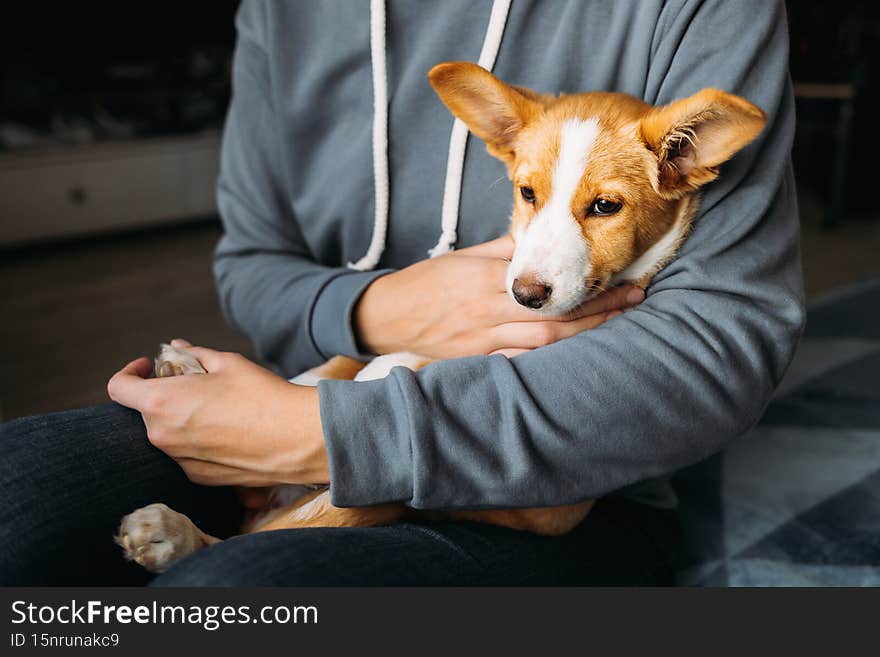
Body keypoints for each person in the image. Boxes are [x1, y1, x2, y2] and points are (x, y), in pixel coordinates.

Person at [0, 0, 803, 585]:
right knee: (17, 492)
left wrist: (321, 435)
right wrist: (380, 312)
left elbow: (720, 342)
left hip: (564, 479)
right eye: (530, 197)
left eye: (599, 207)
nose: (535, 258)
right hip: (300, 401)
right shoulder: (280, 17)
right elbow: (248, 263)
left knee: (221, 598)